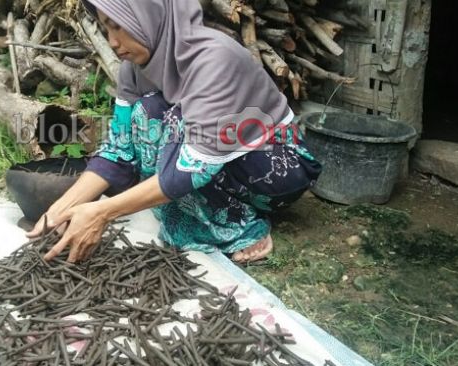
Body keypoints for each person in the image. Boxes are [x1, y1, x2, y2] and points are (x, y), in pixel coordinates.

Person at [26, 0, 321, 264]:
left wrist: (102, 212)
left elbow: (195, 167)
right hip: (217, 160)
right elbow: (118, 147)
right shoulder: (133, 67)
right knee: (149, 112)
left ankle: (243, 226)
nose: (113, 42)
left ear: (148, 13)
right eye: (106, 30)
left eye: (119, 27)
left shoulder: (213, 58)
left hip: (274, 165)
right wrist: (62, 209)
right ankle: (209, 216)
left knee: (174, 122)